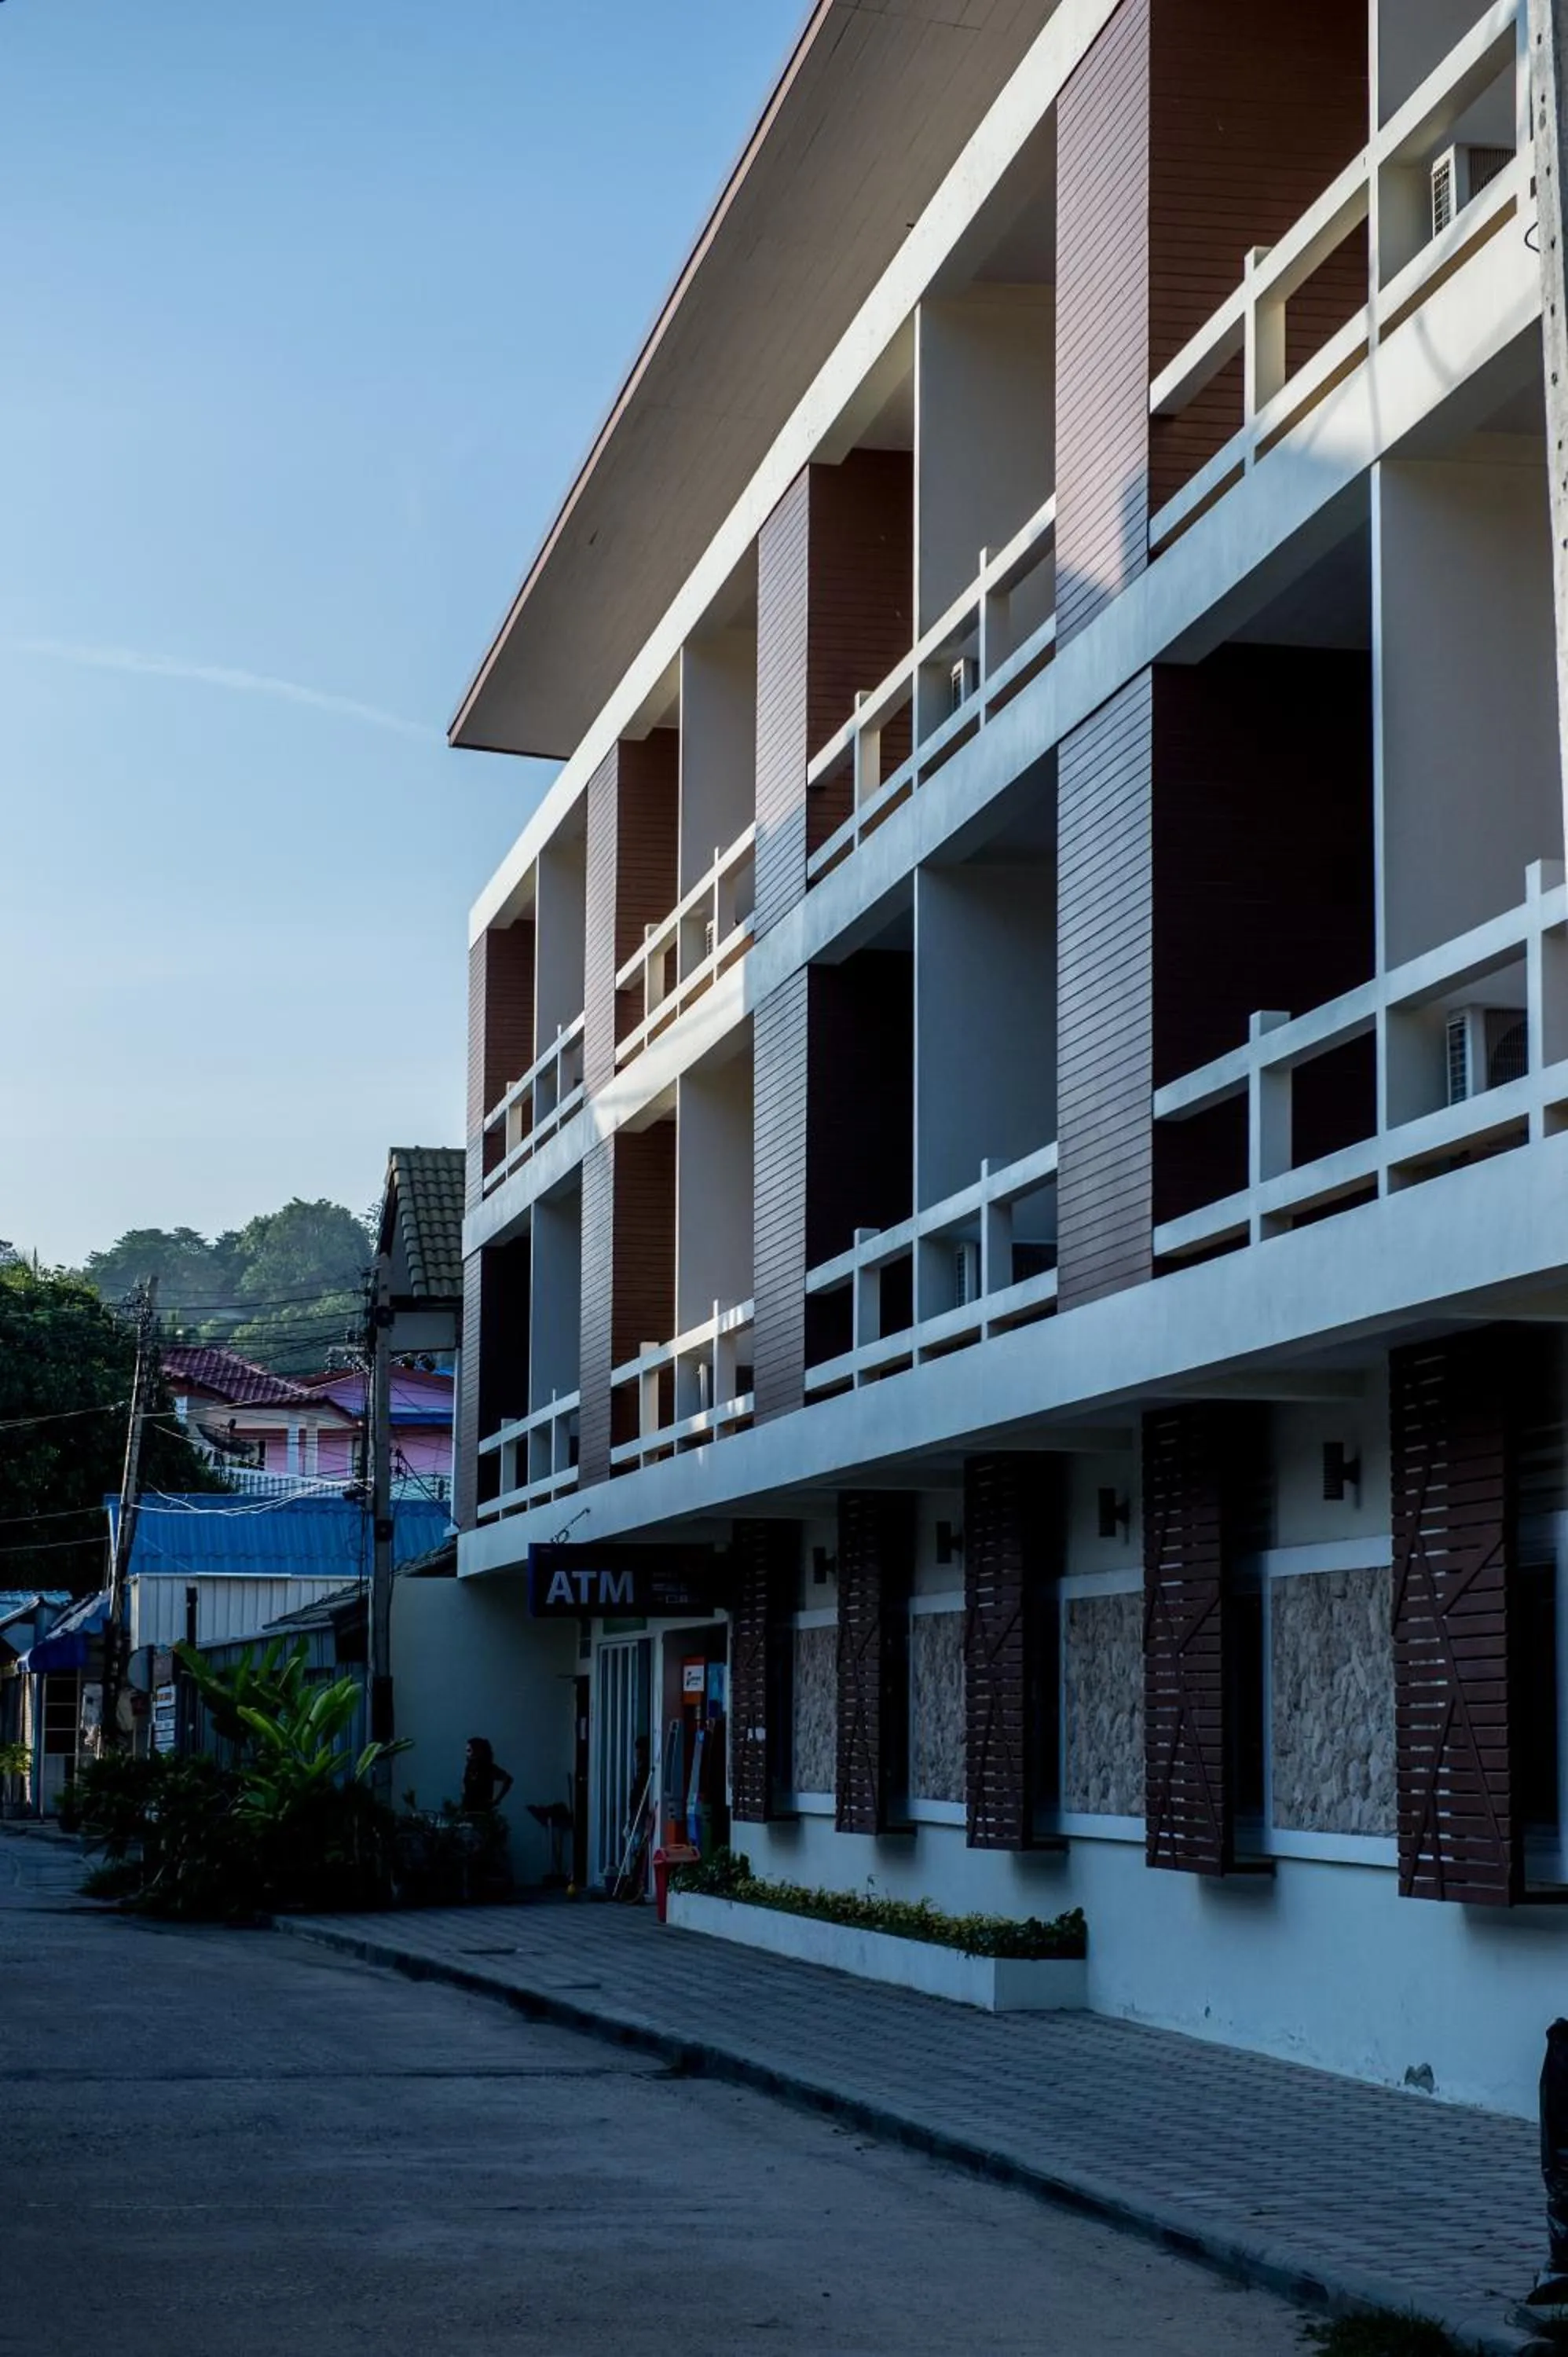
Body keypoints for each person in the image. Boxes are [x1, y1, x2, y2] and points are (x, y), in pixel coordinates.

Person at [461, 1736, 513, 1816]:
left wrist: (497, 1800)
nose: (466, 1754)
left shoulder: (488, 1769)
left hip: (483, 1814)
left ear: (477, 1751)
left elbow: (508, 1780)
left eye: (469, 1751)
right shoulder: (469, 1769)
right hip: (468, 1812)